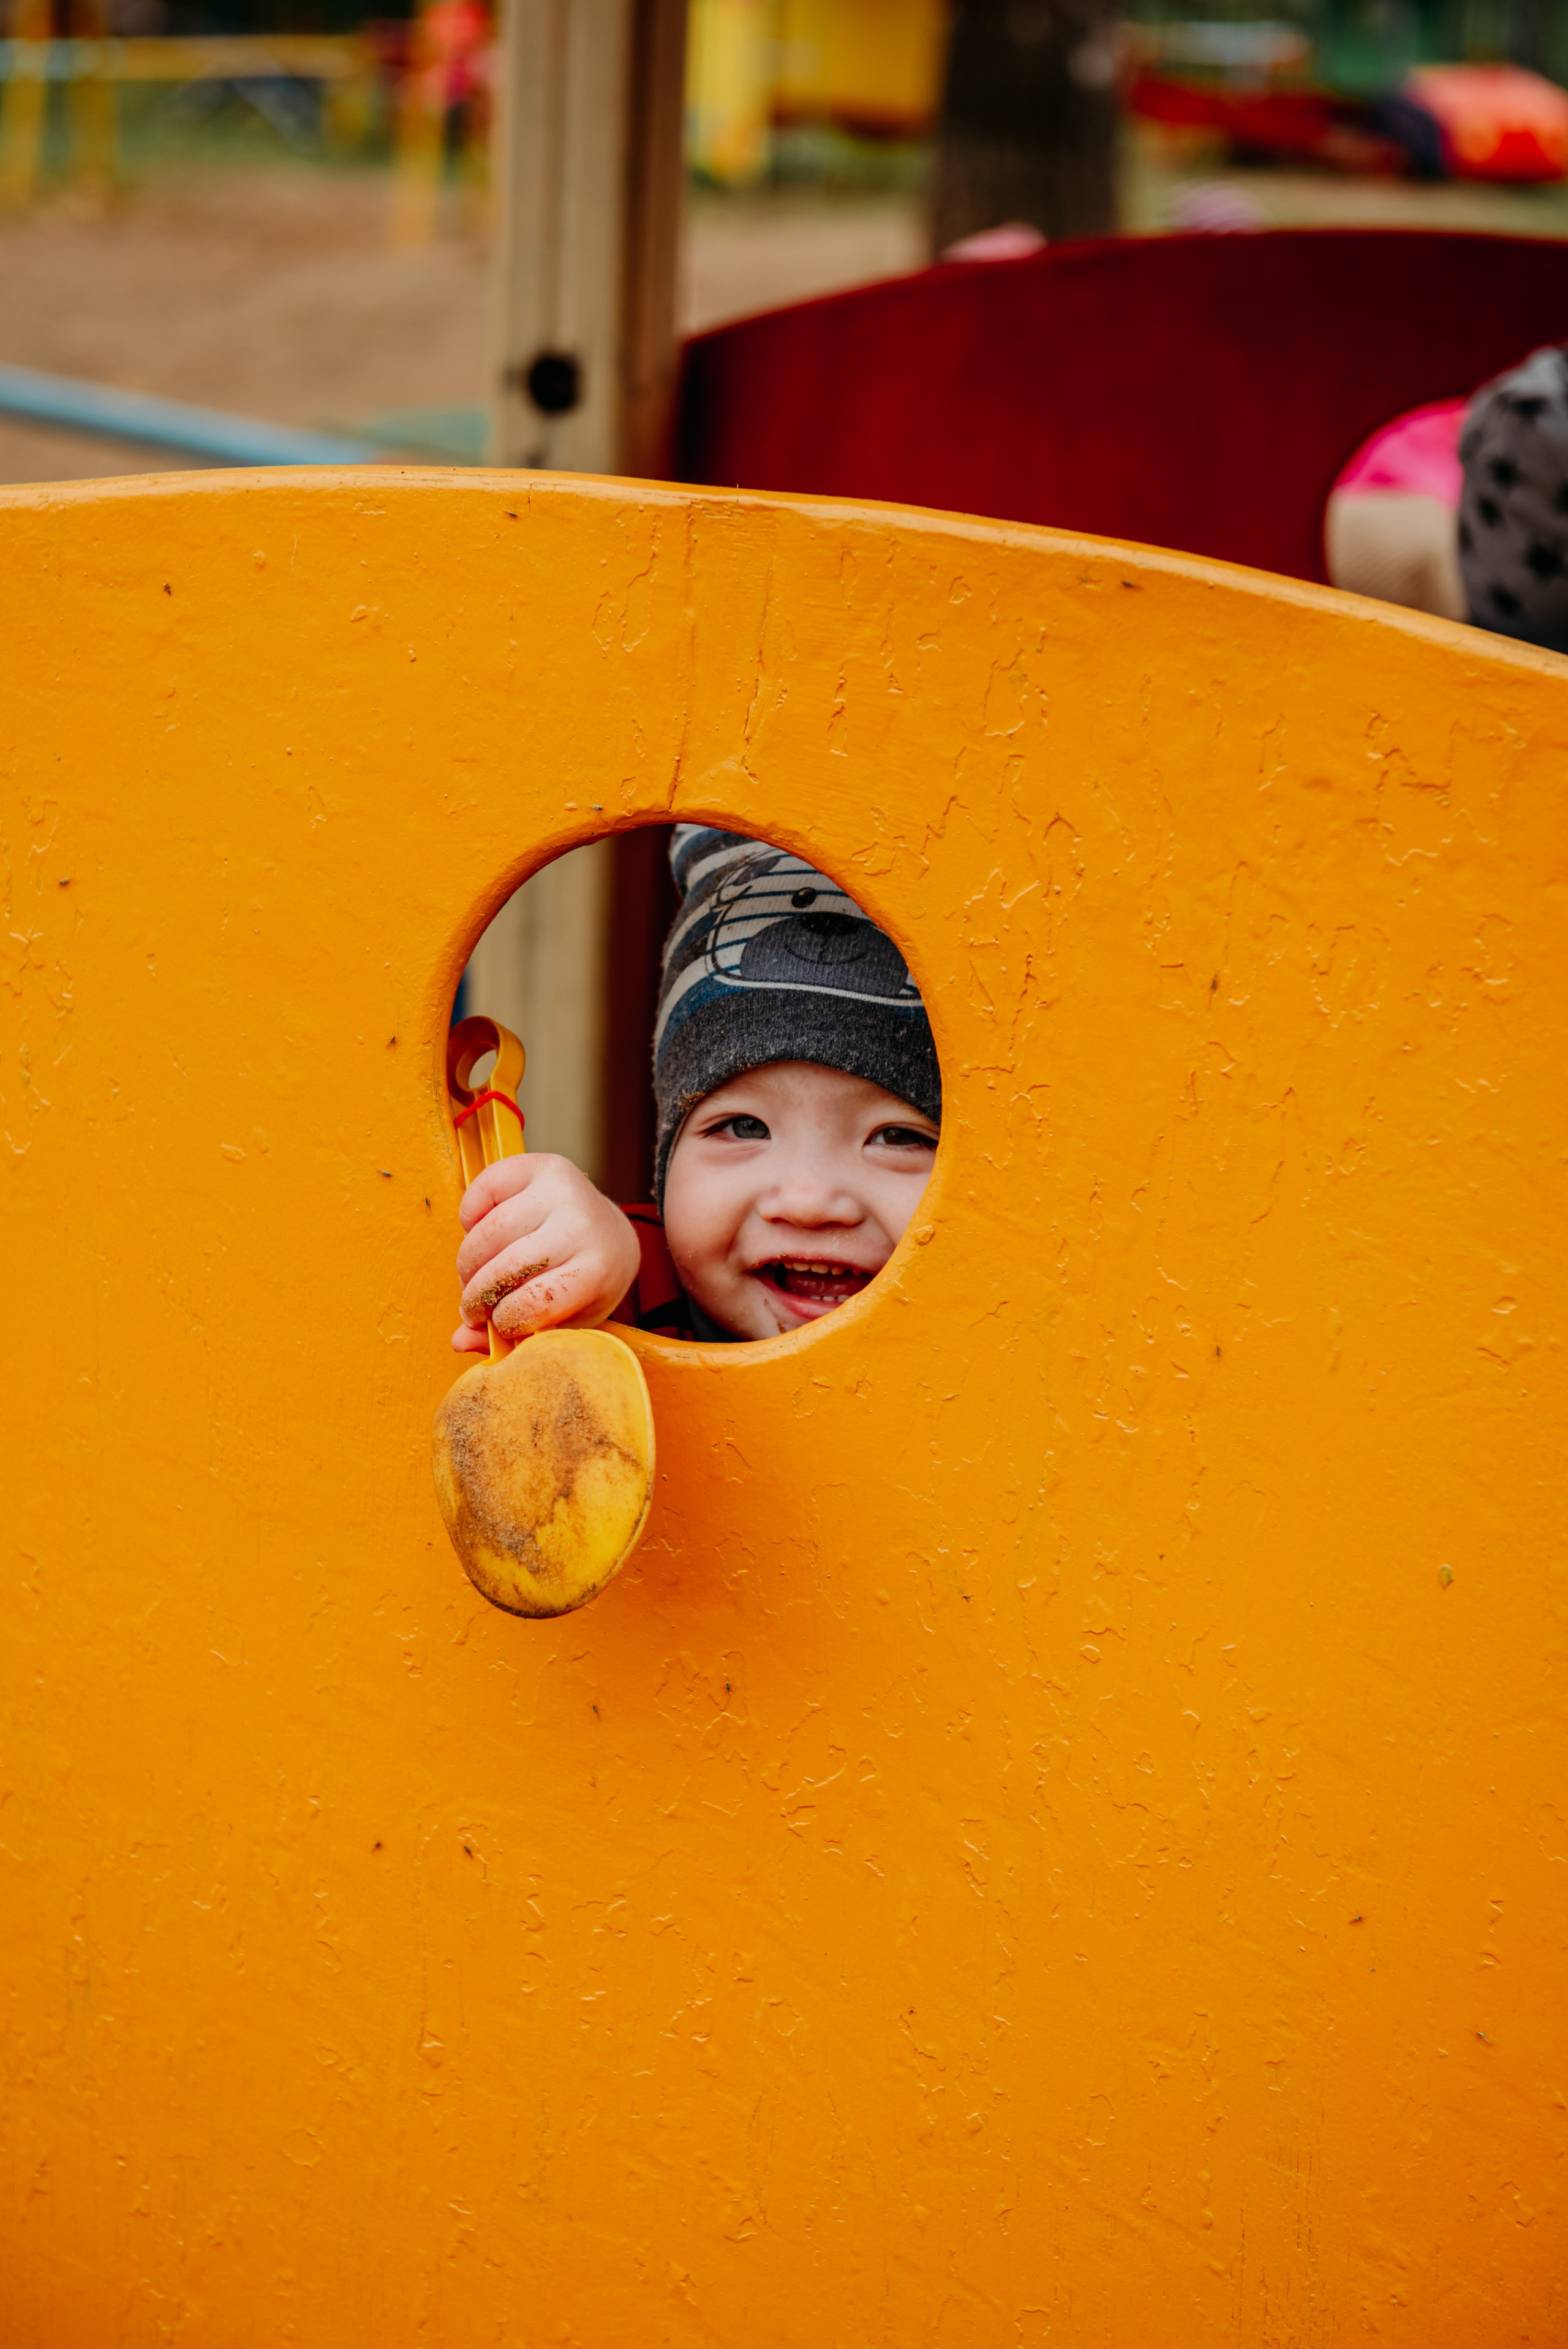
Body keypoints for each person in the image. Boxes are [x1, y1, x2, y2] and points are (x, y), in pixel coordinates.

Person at [451, 828, 942, 1349]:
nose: (808, 1201)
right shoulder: (632, 1283)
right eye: (744, 1126)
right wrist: (567, 1267)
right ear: (665, 1162)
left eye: (896, 1136)